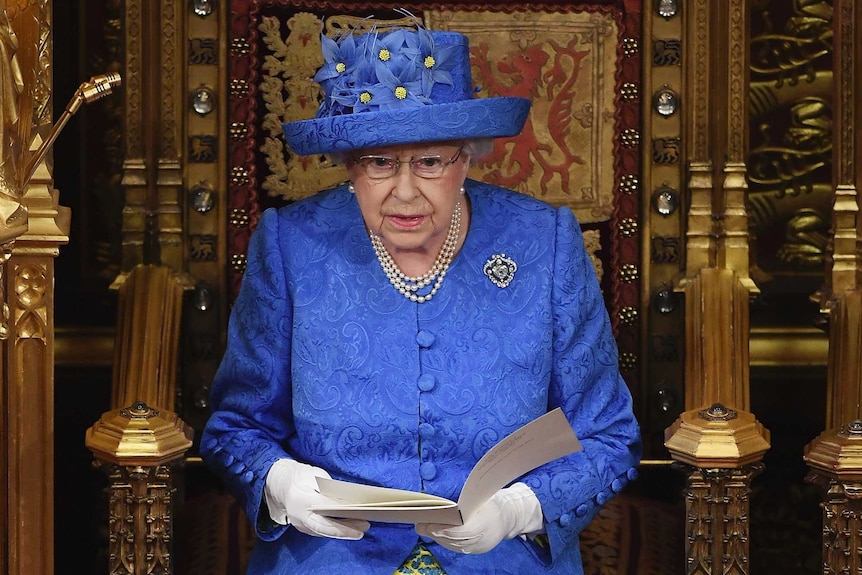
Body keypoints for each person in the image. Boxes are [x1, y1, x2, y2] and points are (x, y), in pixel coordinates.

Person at [201, 18, 641, 575]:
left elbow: (606, 434)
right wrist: (282, 483)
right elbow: (235, 428)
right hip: (335, 558)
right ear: (349, 163)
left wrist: (518, 510)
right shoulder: (292, 245)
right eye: (379, 162)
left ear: (466, 156)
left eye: (430, 161)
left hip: (502, 559)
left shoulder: (544, 242)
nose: (404, 191)